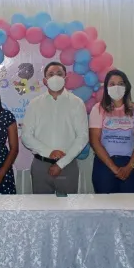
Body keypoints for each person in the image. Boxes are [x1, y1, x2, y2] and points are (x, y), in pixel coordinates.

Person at [22, 62, 89, 195]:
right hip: (40, 165)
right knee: (41, 206)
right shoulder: (35, 104)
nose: (55, 77)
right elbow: (26, 136)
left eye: (59, 74)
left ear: (65, 78)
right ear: (45, 80)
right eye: (51, 74)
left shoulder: (77, 103)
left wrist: (61, 164)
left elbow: (83, 137)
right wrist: (49, 152)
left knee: (68, 206)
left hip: (67, 164)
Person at [89, 69, 134, 194]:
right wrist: (113, 168)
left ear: (126, 86)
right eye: (112, 84)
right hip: (104, 164)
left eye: (120, 84)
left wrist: (129, 167)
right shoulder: (98, 109)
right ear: (106, 87)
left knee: (128, 205)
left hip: (129, 165)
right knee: (105, 204)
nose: (116, 87)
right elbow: (95, 141)